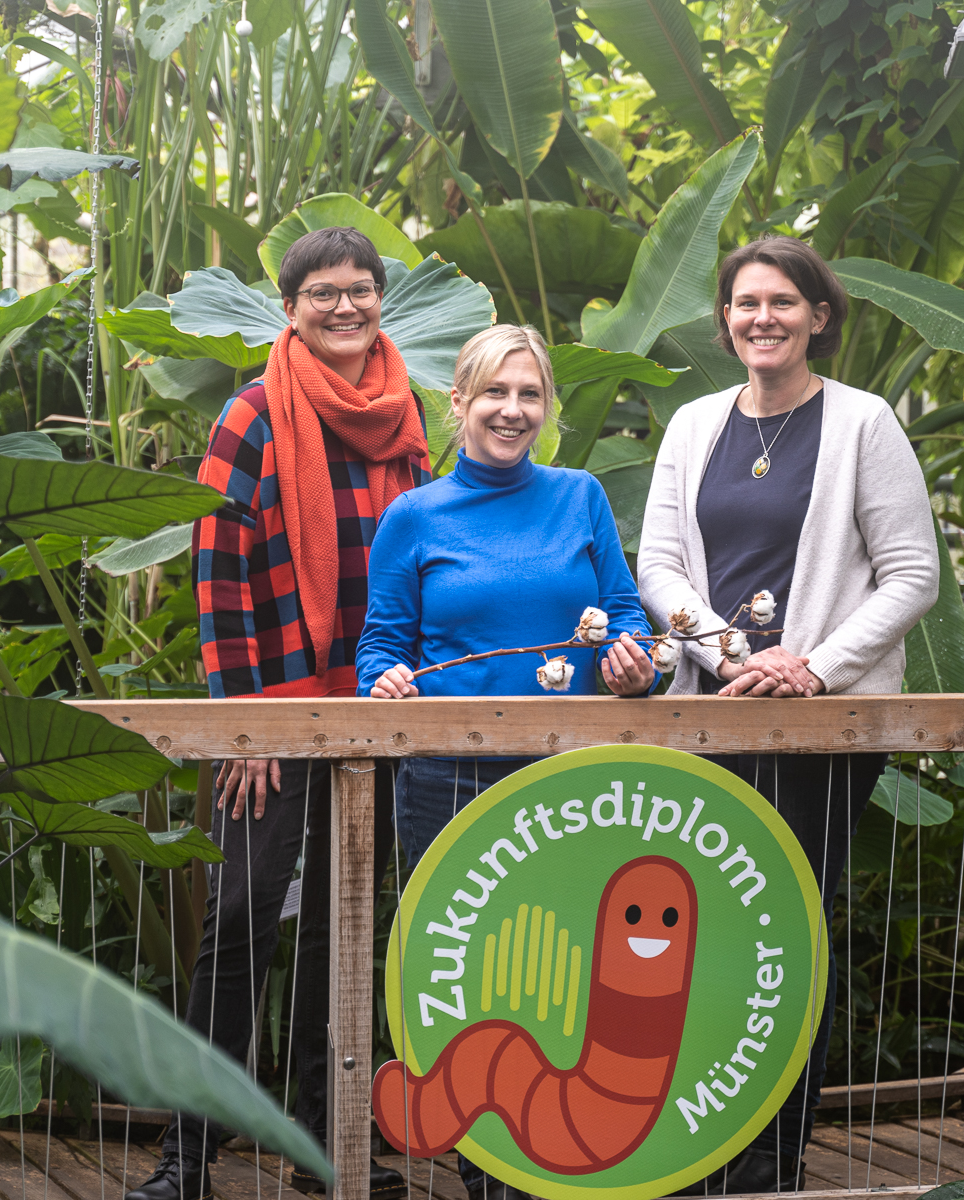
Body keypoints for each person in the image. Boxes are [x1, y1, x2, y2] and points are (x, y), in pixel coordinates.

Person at [126, 227, 428, 1200]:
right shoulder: (252, 414)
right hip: (274, 707)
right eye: (324, 293)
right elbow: (218, 580)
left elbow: (421, 559)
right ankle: (188, 1157)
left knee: (344, 928)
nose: (346, 307)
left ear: (382, 299)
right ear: (290, 307)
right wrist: (243, 724)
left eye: (363, 290)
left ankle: (326, 1147)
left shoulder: (404, 411)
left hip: (374, 707)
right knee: (245, 916)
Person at [637, 235, 940, 1194]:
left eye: (781, 301)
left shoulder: (863, 423)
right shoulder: (692, 426)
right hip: (712, 715)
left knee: (782, 935)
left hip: (821, 728)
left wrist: (811, 668)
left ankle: (770, 1157)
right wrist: (729, 655)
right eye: (743, 302)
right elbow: (658, 569)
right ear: (724, 319)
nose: (760, 317)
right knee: (705, 931)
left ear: (818, 315)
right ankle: (698, 1142)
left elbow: (913, 576)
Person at [357, 322, 656, 1200]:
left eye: (530, 395)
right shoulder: (413, 517)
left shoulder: (580, 496)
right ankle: (483, 1163)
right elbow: (381, 643)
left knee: (565, 968)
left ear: (548, 408)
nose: (512, 411)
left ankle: (556, 1161)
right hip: (445, 779)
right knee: (467, 974)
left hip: (571, 781)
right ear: (459, 405)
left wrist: (631, 662)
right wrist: (388, 681)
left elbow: (625, 614)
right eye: (495, 393)